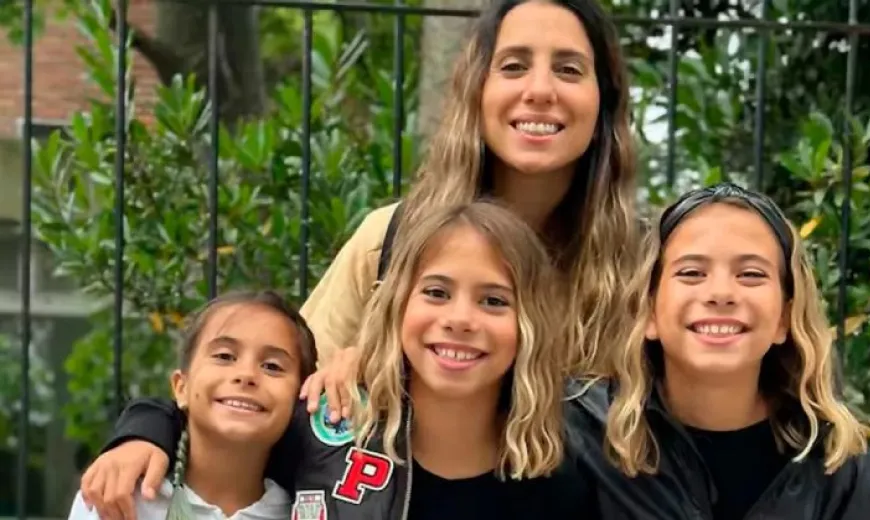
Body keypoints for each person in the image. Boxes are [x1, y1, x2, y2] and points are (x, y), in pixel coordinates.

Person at [78, 0, 641, 513]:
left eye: (569, 69)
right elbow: (263, 387)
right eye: (513, 66)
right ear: (477, 90)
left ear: (605, 99)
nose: (540, 89)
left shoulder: (645, 268)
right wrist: (151, 426)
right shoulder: (389, 240)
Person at [91, 201, 600, 520]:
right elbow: (223, 411)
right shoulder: (325, 429)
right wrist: (143, 432)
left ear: (529, 323)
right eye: (436, 292)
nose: (460, 319)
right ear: (396, 306)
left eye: (493, 300)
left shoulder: (558, 479)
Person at [565, 183, 870, 519]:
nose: (721, 293)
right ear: (648, 310)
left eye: (751, 274)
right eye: (692, 273)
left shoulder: (839, 468)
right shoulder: (579, 438)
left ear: (784, 317)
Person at [68, 291, 318, 520]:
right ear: (181, 387)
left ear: (301, 396)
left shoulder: (312, 510)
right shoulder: (116, 497)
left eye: (272, 366)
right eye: (224, 356)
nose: (246, 374)